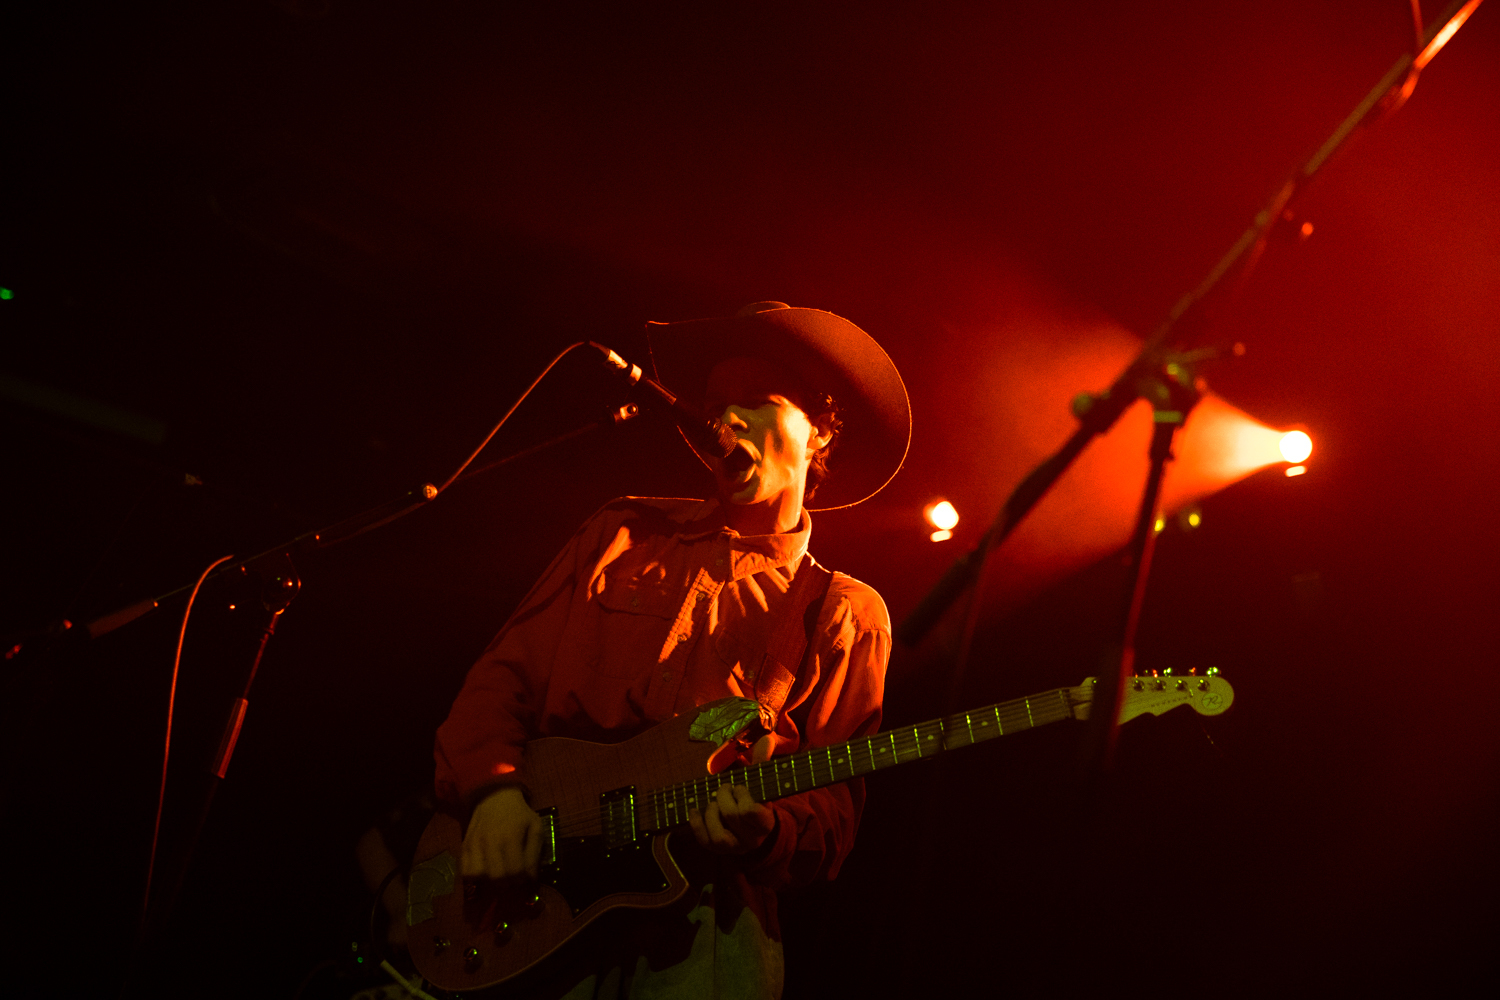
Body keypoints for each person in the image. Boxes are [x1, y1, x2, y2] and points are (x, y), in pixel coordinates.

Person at [432, 302, 910, 998]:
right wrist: (496, 794)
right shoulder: (621, 531)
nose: (725, 421)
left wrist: (765, 831)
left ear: (818, 434)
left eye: (758, 403)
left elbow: (833, 812)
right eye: (717, 405)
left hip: (698, 938)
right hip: (531, 905)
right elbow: (499, 681)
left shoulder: (844, 612)